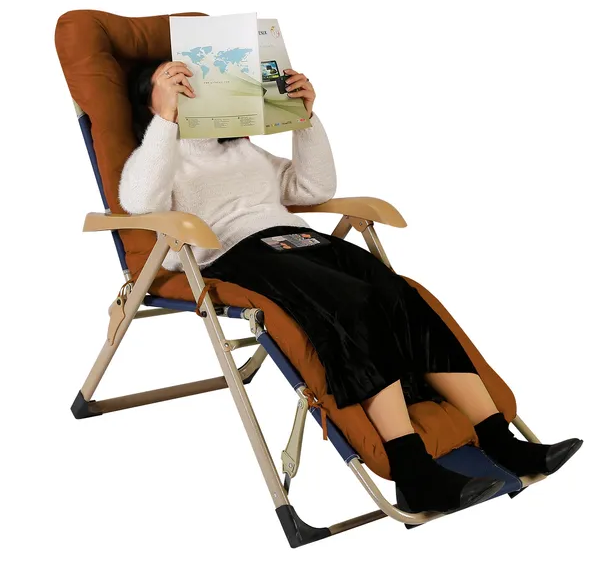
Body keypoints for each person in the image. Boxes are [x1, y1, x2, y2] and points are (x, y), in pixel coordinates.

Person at [120, 59, 583, 514]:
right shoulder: (157, 156)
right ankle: (413, 472)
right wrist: (166, 119)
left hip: (297, 240)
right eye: (171, 79)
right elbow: (139, 202)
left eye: (191, 77)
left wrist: (305, 119)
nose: (186, 84)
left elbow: (313, 187)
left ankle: (502, 441)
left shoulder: (245, 148)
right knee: (350, 304)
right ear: (150, 99)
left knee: (398, 294)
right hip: (233, 253)